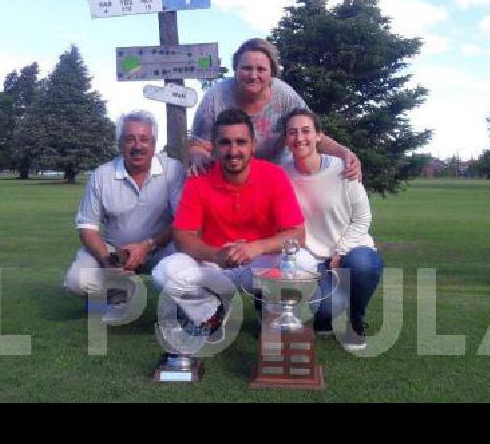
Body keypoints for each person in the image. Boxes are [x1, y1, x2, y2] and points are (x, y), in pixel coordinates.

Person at [152, 108, 317, 342]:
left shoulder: (274, 175)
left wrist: (256, 248)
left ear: (253, 145)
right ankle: (213, 312)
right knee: (165, 270)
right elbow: (182, 236)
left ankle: (273, 314)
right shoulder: (199, 179)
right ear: (214, 146)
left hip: (258, 266)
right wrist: (214, 254)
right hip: (216, 266)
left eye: (241, 142)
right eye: (225, 143)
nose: (233, 151)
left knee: (304, 263)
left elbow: (297, 235)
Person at [281, 108, 384, 351]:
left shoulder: (343, 169)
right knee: (323, 307)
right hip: (311, 257)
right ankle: (324, 318)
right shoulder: (281, 174)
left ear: (319, 136)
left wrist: (340, 252)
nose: (300, 138)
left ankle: (355, 321)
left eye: (306, 131)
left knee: (364, 264)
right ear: (286, 140)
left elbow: (362, 218)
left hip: (351, 250)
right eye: (292, 133)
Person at [188, 37, 362, 179]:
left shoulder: (285, 96)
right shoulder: (215, 97)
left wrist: (343, 153)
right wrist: (199, 159)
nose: (253, 75)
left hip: (279, 173)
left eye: (261, 69)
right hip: (232, 172)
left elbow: (312, 133)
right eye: (247, 68)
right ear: (235, 69)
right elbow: (198, 145)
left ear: (271, 73)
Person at [63, 110, 185, 308]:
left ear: (154, 144)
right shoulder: (102, 175)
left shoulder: (173, 170)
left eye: (144, 139)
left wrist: (147, 246)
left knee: (186, 263)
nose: (137, 146)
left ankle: (187, 308)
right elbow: (87, 227)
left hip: (160, 248)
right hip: (115, 252)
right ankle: (121, 292)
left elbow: (182, 221)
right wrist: (107, 262)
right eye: (130, 139)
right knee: (77, 282)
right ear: (120, 144)